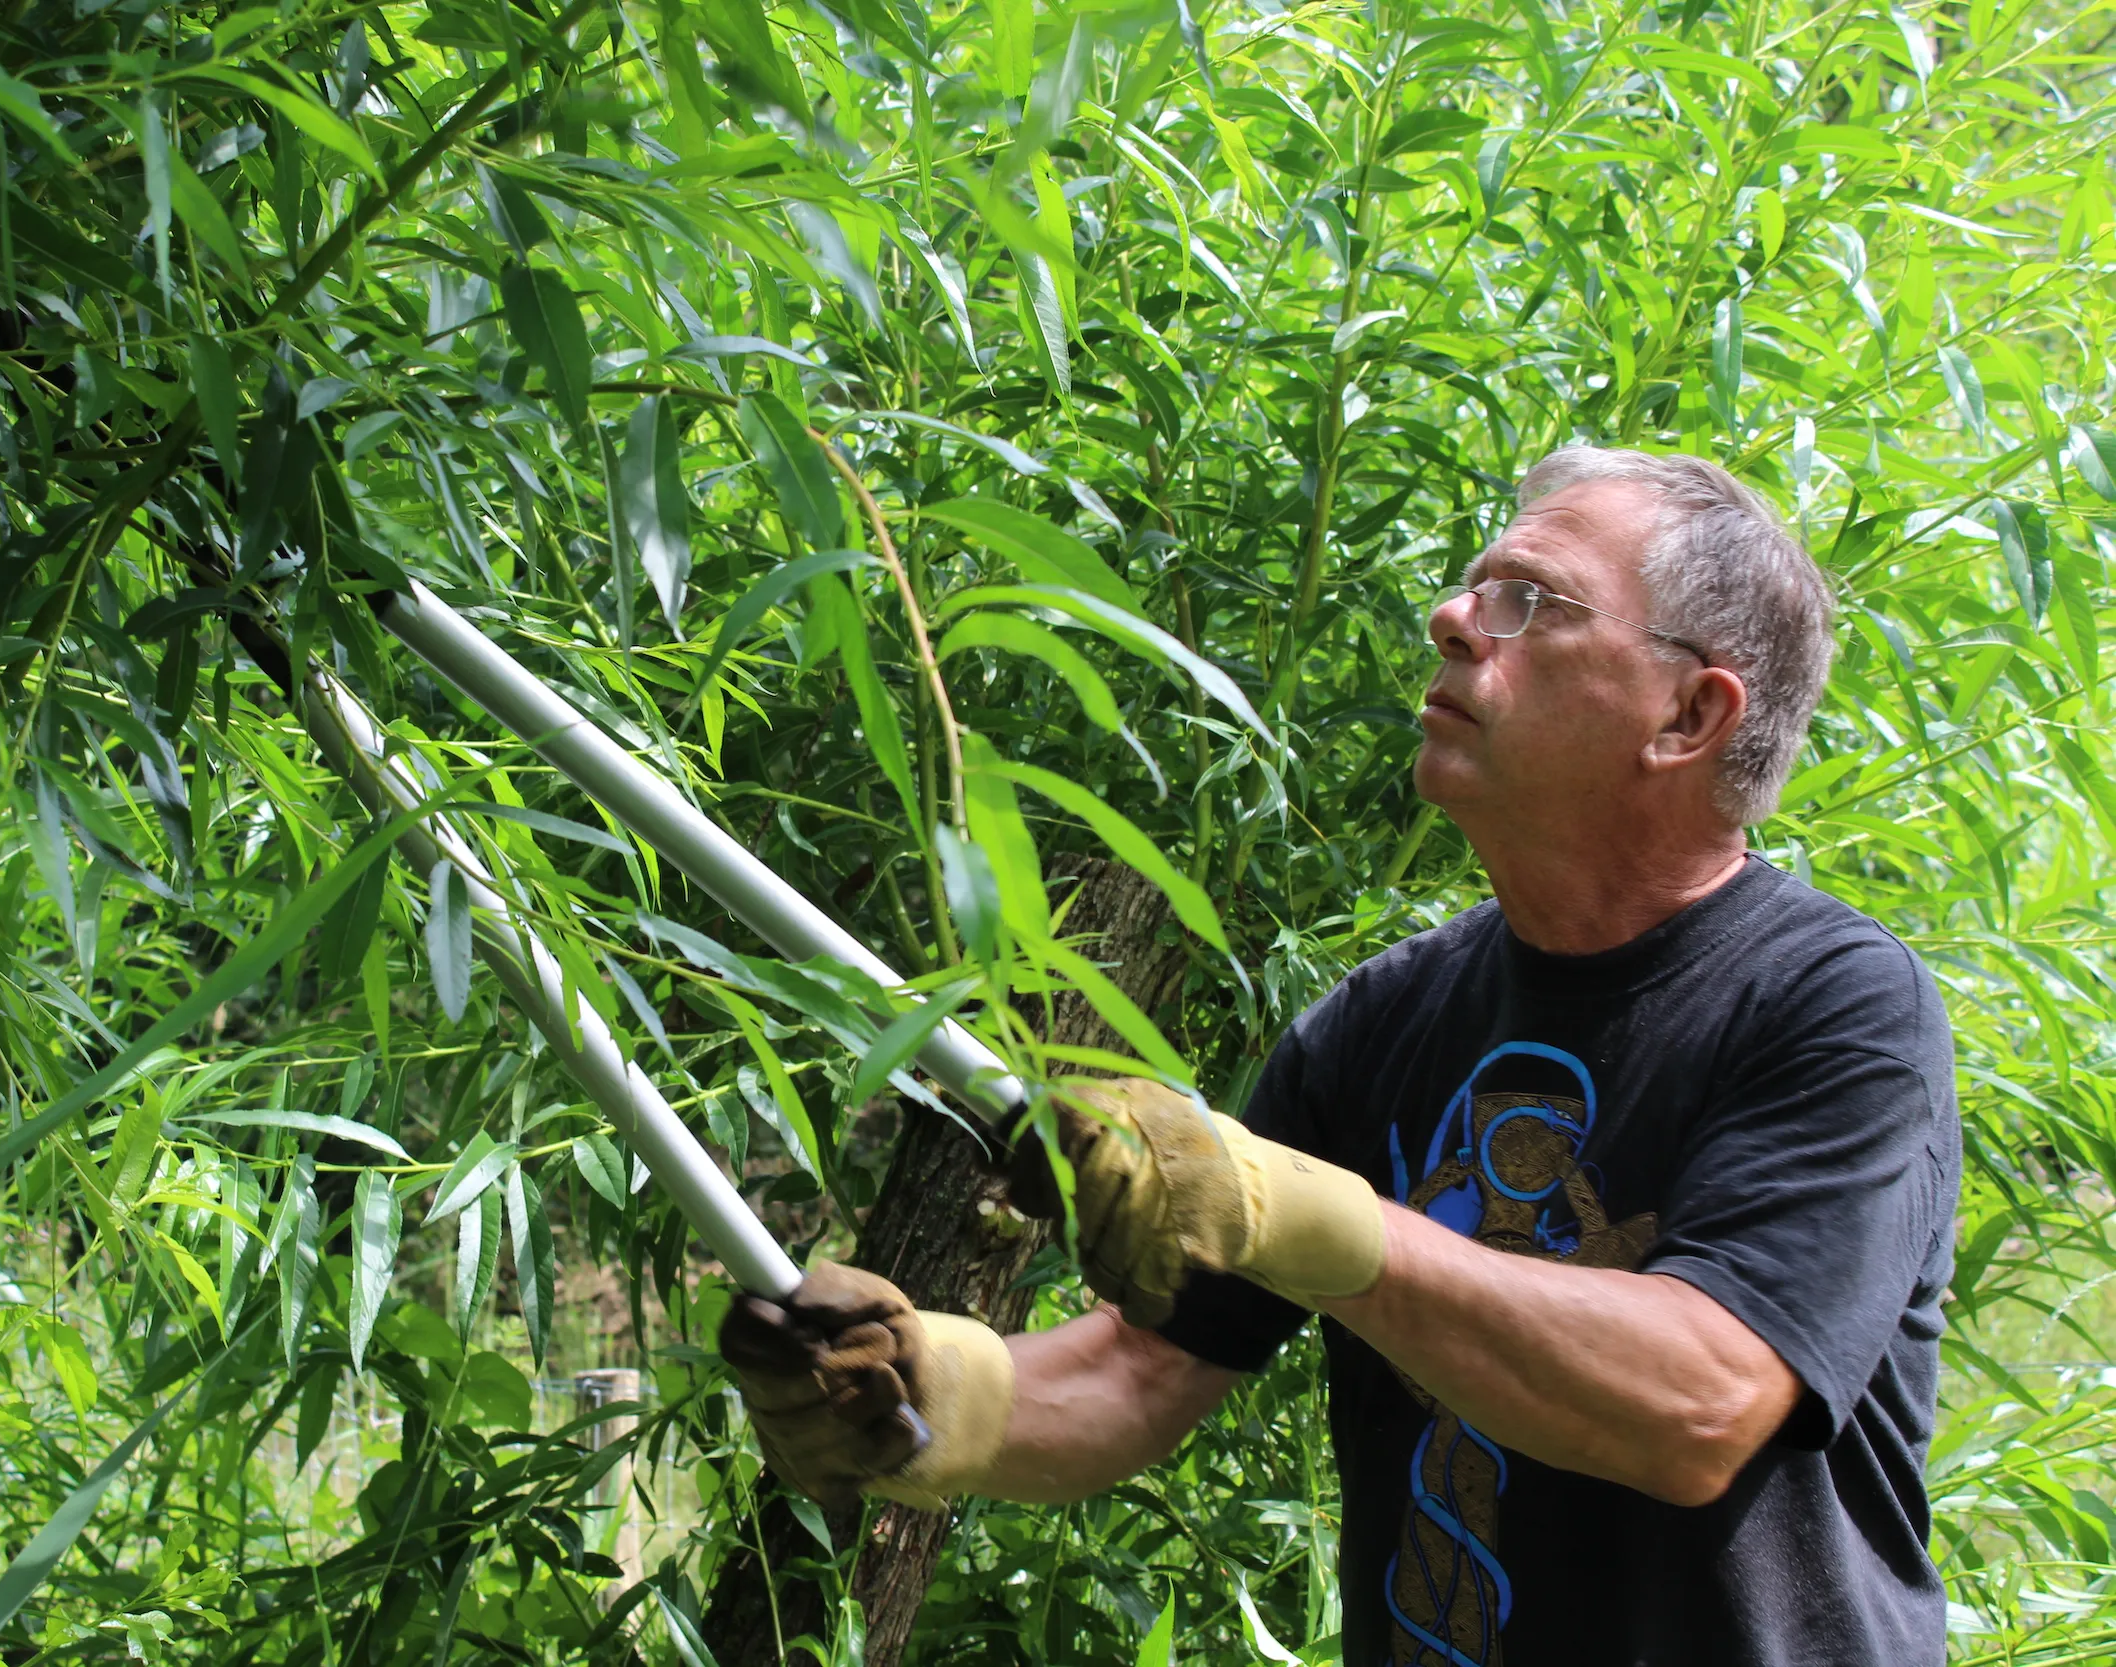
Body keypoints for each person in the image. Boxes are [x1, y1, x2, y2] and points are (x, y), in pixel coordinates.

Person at [719, 446, 1959, 1666]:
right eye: (1473, 587)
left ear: (1689, 713)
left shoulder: (1833, 1004)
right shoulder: (1383, 1019)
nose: (1451, 618)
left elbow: (1703, 1399)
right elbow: (1147, 1365)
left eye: (1530, 600)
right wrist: (930, 1393)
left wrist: (1306, 1216)